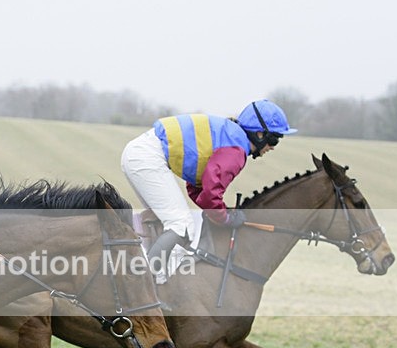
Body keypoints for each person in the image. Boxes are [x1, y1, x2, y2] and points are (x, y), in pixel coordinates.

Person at [121, 99, 297, 270]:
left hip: (140, 153)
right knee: (180, 224)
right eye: (274, 139)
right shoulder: (236, 149)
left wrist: (221, 212)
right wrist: (226, 218)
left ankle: (152, 281)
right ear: (260, 134)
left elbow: (198, 189)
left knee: (166, 223)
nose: (273, 147)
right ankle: (141, 282)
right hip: (147, 157)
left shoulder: (230, 137)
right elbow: (211, 192)